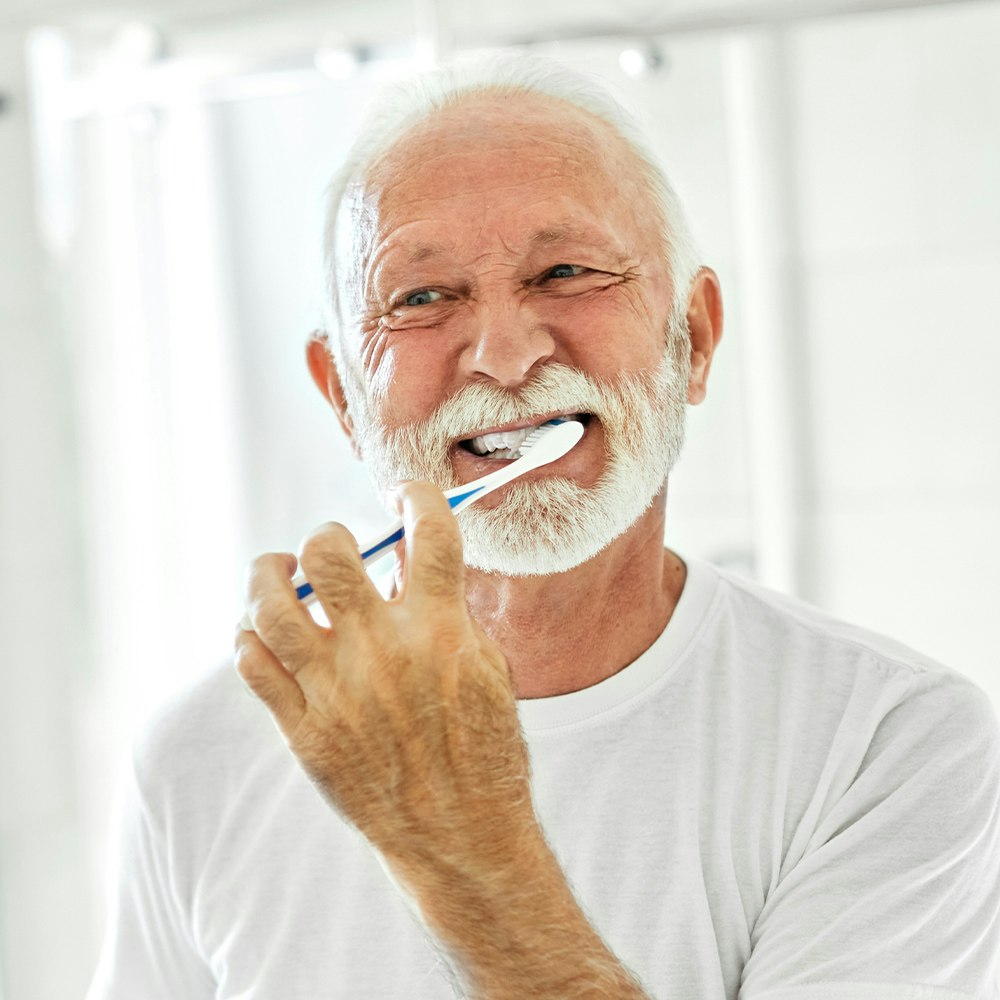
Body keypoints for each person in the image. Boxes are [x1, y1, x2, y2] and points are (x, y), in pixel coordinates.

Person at [87, 54, 1000, 1000]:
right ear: (343, 397)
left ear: (693, 340)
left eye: (566, 272)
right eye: (421, 298)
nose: (506, 356)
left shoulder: (887, 742)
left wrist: (454, 840)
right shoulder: (198, 755)